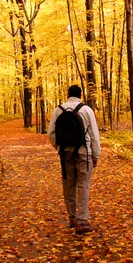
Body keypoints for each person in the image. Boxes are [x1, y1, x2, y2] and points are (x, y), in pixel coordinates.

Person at [47, 84, 101, 234]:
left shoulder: (59, 110)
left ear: (68, 94)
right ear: (80, 95)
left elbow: (51, 133)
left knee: (68, 185)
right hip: (84, 153)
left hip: (66, 154)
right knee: (83, 185)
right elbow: (94, 136)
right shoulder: (86, 110)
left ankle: (72, 217)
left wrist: (59, 148)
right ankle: (82, 222)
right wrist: (95, 155)